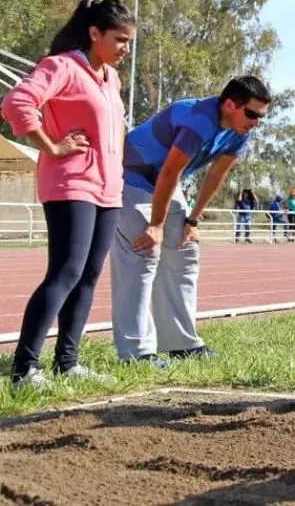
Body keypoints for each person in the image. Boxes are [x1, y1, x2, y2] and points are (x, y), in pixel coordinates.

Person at [0, 0, 134, 388]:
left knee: (89, 276)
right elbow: (16, 102)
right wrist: (52, 145)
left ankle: (68, 361)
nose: (125, 49)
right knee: (66, 271)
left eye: (129, 42)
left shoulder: (111, 78)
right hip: (70, 184)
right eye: (120, 40)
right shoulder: (61, 66)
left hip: (109, 190)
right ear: (95, 34)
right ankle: (25, 369)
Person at [110, 75, 271, 365]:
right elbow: (169, 172)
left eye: (261, 117)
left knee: (185, 251)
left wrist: (192, 221)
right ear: (231, 105)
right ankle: (136, 353)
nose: (256, 122)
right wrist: (156, 225)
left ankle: (181, 343)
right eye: (252, 114)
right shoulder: (198, 120)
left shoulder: (240, 131)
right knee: (143, 252)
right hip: (132, 175)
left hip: (168, 183)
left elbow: (216, 175)